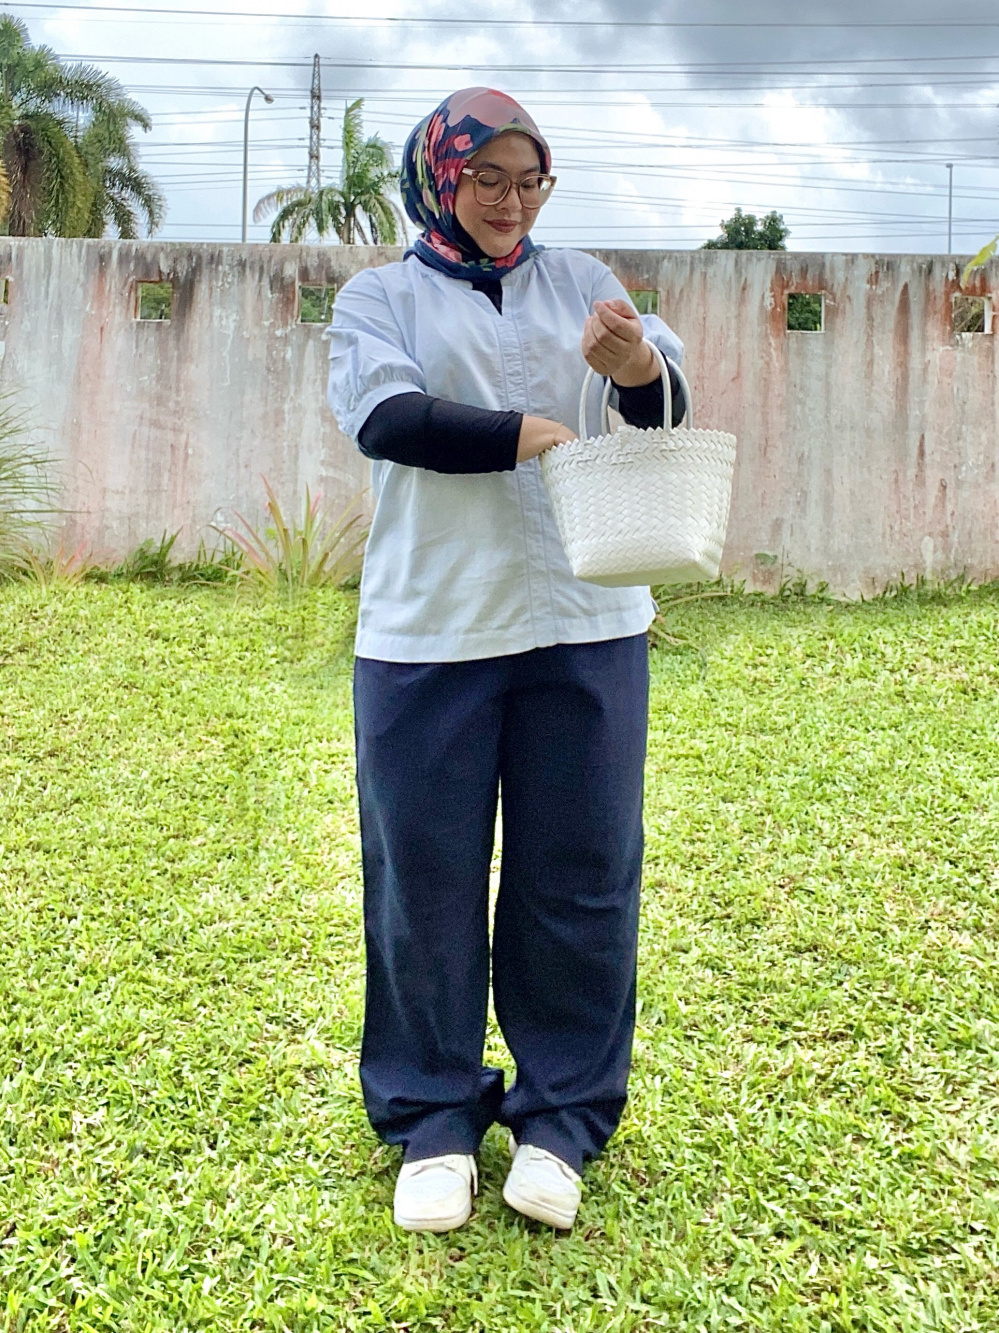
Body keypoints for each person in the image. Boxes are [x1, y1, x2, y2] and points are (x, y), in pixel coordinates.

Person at [326, 87, 686, 1234]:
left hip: (586, 629)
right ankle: (431, 1119)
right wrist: (522, 434)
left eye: (531, 181)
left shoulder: (584, 280)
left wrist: (632, 361)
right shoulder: (378, 297)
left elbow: (666, 409)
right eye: (489, 179)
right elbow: (388, 419)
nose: (510, 202)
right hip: (431, 631)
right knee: (422, 880)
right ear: (440, 176)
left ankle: (560, 1118)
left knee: (578, 877)